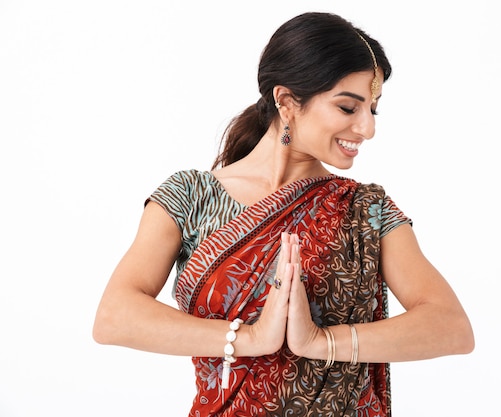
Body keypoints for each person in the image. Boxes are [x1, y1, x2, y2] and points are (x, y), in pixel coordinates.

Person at [93, 11, 474, 417]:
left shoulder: (366, 209)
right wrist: (251, 338)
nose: (367, 129)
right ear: (287, 101)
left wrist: (319, 342)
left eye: (373, 110)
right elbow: (114, 316)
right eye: (349, 108)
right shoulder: (191, 197)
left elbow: (451, 327)